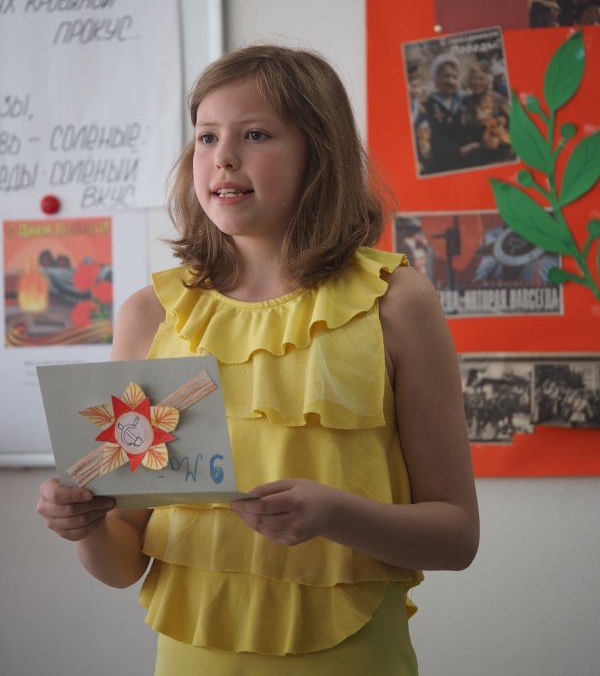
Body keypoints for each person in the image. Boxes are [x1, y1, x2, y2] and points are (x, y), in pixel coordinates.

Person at [37, 45, 479, 675]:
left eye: (255, 134)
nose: (223, 156)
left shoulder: (397, 303)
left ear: (318, 153)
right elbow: (123, 561)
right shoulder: (149, 316)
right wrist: (85, 526)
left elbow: (457, 538)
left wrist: (334, 514)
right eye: (207, 136)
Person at [461, 63, 513, 168]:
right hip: (477, 157)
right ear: (469, 81)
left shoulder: (499, 99)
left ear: (488, 80)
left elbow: (514, 123)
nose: (477, 82)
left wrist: (499, 124)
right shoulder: (466, 101)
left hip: (501, 155)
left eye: (481, 78)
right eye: (473, 79)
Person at [421, 54, 466, 173]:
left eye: (454, 77)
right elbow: (431, 139)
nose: (451, 81)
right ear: (437, 79)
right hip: (444, 165)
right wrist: (459, 151)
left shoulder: (463, 101)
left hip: (467, 160)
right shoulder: (428, 106)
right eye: (446, 76)